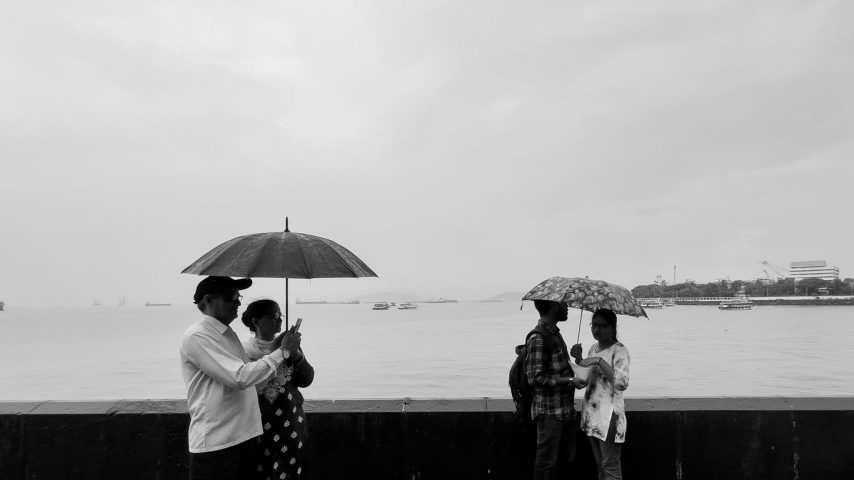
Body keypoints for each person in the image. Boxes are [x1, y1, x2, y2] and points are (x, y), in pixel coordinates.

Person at [179, 276, 300, 480]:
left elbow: (253, 384)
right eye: (230, 298)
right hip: (218, 443)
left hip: (245, 438)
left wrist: (288, 357)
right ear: (208, 301)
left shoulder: (228, 335)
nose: (237, 303)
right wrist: (282, 352)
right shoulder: (198, 336)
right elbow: (240, 377)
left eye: (238, 297)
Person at [241, 299, 315, 480]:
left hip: (292, 421)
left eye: (280, 315)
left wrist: (296, 354)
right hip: (260, 424)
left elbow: (307, 379)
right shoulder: (244, 351)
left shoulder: (290, 346)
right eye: (273, 317)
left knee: (294, 471)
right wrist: (279, 351)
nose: (279, 320)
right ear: (256, 321)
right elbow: (247, 385)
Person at [525, 299, 587, 480]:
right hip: (549, 411)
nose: (567, 307)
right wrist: (570, 379)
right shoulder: (538, 337)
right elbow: (535, 378)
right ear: (553, 306)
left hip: (565, 409)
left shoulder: (554, 334)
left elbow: (558, 368)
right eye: (564, 304)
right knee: (547, 463)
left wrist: (577, 358)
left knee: (566, 460)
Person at [571, 308, 630, 480]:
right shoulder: (593, 348)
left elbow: (621, 383)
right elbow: (586, 381)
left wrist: (599, 361)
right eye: (594, 325)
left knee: (610, 466)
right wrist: (579, 359)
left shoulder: (619, 351)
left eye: (602, 326)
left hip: (609, 415)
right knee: (600, 465)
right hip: (591, 413)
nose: (597, 329)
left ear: (612, 328)